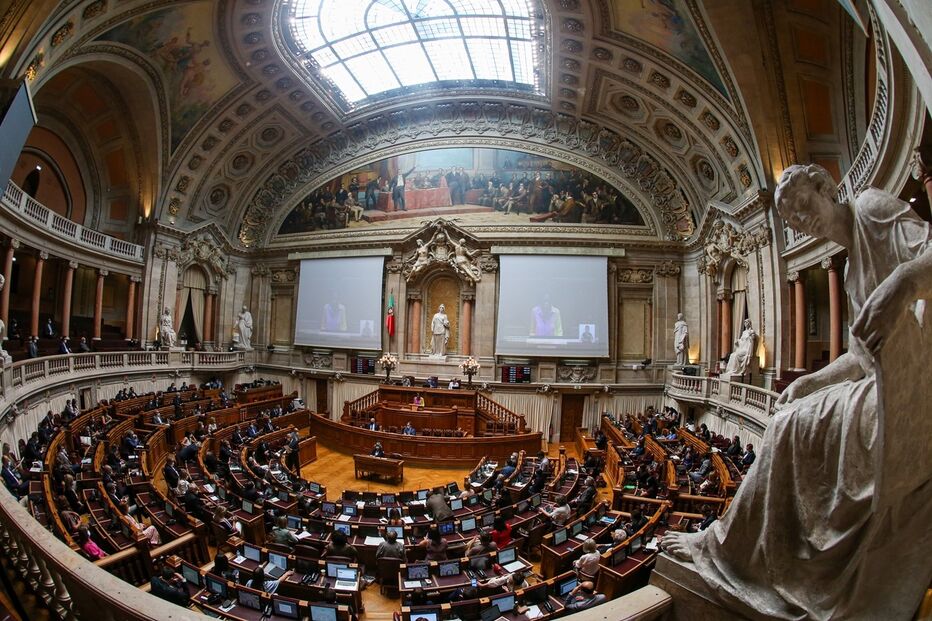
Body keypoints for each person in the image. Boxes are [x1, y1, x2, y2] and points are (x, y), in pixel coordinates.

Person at [663, 164, 932, 619]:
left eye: (804, 206)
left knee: (790, 424)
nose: (801, 221)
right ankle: (753, 554)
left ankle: (727, 548)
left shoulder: (871, 207)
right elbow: (862, 355)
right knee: (791, 418)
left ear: (827, 188)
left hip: (917, 376)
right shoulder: (849, 273)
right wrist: (814, 379)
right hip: (884, 377)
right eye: (791, 220)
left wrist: (902, 284)